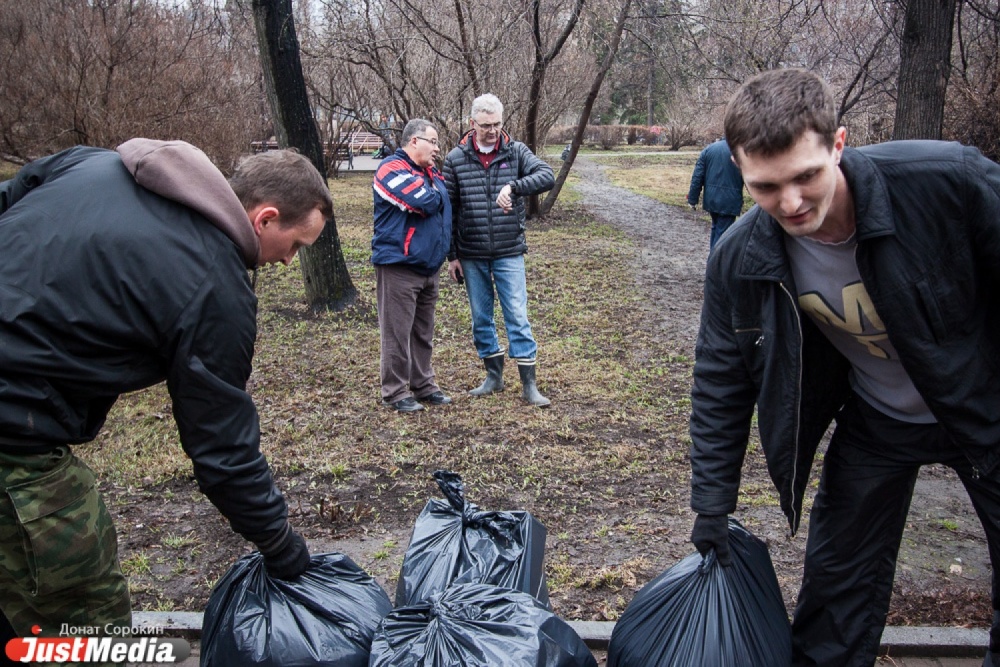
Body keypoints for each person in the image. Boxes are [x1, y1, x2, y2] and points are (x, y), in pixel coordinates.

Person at [687, 67, 1000, 667]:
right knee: (836, 585)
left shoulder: (946, 183)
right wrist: (712, 505)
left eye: (806, 176)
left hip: (985, 408)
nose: (791, 203)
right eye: (766, 187)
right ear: (737, 165)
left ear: (839, 143)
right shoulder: (740, 257)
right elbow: (721, 381)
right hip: (880, 420)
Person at [0, 140, 331, 642]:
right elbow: (221, 448)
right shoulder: (214, 286)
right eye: (297, 245)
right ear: (264, 219)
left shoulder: (94, 163)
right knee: (85, 616)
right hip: (13, 433)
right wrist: (283, 547)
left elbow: (11, 196)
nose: (289, 261)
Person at [443, 93, 555, 407]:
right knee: (481, 318)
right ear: (471, 124)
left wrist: (514, 186)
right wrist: (452, 255)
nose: (492, 131)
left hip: (509, 251)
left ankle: (529, 385)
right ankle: (493, 377)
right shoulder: (455, 159)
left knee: (517, 316)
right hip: (471, 252)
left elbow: (547, 175)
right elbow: (450, 210)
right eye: (485, 125)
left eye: (497, 124)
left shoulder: (516, 151)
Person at [372, 119, 453, 413]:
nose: (436, 148)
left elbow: (444, 206)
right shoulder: (390, 169)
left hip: (429, 267)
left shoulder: (431, 174)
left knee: (423, 332)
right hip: (399, 266)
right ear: (414, 141)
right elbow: (424, 202)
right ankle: (395, 392)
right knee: (397, 333)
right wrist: (433, 194)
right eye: (432, 141)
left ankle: (423, 384)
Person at [686, 137, 744, 251]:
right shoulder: (739, 150)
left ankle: (713, 261)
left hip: (711, 199)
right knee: (722, 234)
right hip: (730, 200)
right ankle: (715, 264)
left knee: (716, 228)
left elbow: (697, 176)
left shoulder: (709, 149)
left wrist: (692, 199)